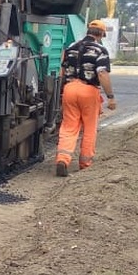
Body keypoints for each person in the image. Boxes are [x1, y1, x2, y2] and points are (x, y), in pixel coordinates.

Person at [55, 19, 116, 176]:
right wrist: (110, 96)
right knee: (89, 128)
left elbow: (62, 71)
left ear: (88, 31)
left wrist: (62, 90)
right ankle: (85, 163)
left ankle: (62, 159)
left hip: (69, 89)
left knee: (69, 126)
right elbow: (102, 73)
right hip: (88, 90)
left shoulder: (71, 48)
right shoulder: (100, 50)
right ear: (102, 34)